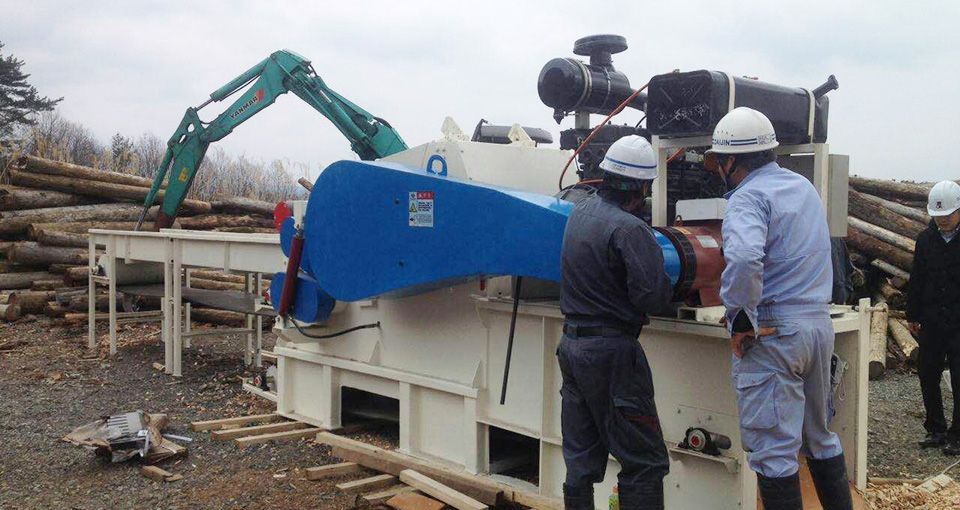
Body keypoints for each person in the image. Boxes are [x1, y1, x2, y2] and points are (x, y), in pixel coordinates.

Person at [709, 107, 852, 510]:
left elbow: (743, 259)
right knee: (820, 437)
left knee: (774, 453)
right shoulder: (804, 188)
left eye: (719, 160)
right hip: (817, 327)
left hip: (774, 335)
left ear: (731, 160)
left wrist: (739, 319)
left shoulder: (747, 197)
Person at [558, 135, 674, 510]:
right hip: (612, 355)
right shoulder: (630, 229)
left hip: (573, 346)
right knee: (644, 462)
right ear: (642, 187)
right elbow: (651, 296)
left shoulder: (579, 215)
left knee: (580, 460)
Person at [906, 180, 960, 454]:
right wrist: (912, 312)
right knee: (928, 374)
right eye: (938, 217)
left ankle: (957, 435)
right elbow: (917, 278)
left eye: (948, 216)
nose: (943, 221)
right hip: (933, 319)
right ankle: (936, 428)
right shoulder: (925, 240)